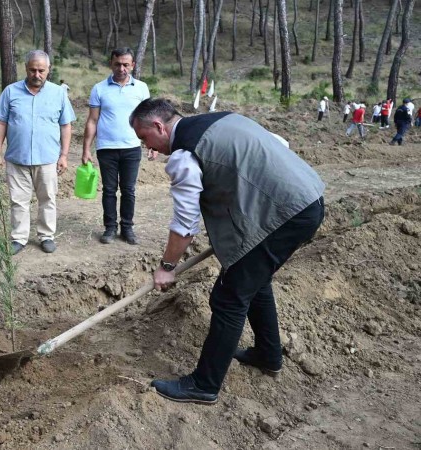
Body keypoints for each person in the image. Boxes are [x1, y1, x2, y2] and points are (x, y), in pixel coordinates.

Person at [130, 98, 324, 404]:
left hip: (286, 215)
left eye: (144, 138)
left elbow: (184, 224)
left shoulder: (184, 156)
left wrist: (167, 266)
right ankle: (267, 355)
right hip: (309, 198)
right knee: (253, 282)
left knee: (228, 297)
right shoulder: (223, 120)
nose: (147, 147)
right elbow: (278, 144)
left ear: (158, 126)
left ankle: (204, 385)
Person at [0, 50, 76, 255]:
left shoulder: (58, 94)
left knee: (47, 198)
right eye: (32, 70)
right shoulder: (11, 92)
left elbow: (66, 126)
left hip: (47, 158)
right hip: (17, 158)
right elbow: (1, 122)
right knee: (18, 200)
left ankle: (46, 236)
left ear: (48, 70)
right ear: (26, 68)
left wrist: (64, 155)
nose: (36, 74)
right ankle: (19, 238)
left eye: (41, 70)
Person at [82, 48, 151, 245]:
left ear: (132, 66)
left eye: (125, 64)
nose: (121, 68)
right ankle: (110, 228)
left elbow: (147, 119)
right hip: (106, 148)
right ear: (111, 64)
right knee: (109, 190)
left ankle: (127, 228)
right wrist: (86, 149)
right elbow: (92, 121)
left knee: (128, 190)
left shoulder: (141, 88)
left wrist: (150, 144)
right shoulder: (99, 89)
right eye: (117, 64)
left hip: (131, 147)